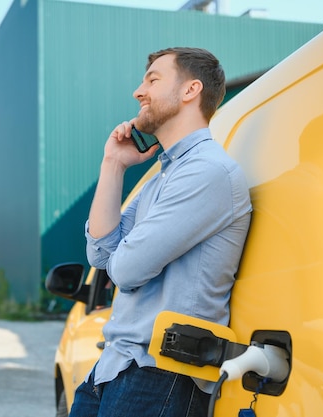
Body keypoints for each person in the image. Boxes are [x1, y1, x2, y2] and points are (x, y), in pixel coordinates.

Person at [69, 47, 252, 417]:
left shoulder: (207, 172)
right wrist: (113, 164)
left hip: (160, 377)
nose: (139, 91)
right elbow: (102, 257)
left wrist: (124, 252)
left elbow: (126, 270)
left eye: (152, 80)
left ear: (190, 91)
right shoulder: (162, 178)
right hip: (116, 366)